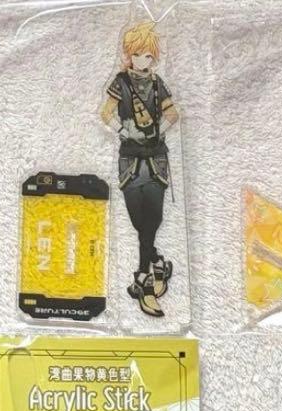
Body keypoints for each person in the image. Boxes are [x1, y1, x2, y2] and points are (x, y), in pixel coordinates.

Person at [100, 20, 179, 317]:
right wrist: (123, 130)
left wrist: (159, 131)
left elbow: (173, 114)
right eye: (137, 54)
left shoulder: (158, 84)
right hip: (130, 160)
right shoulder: (120, 82)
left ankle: (143, 279)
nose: (142, 60)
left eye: (147, 55)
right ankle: (158, 263)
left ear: (153, 57)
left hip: (156, 160)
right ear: (128, 54)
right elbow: (105, 113)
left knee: (152, 221)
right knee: (139, 223)